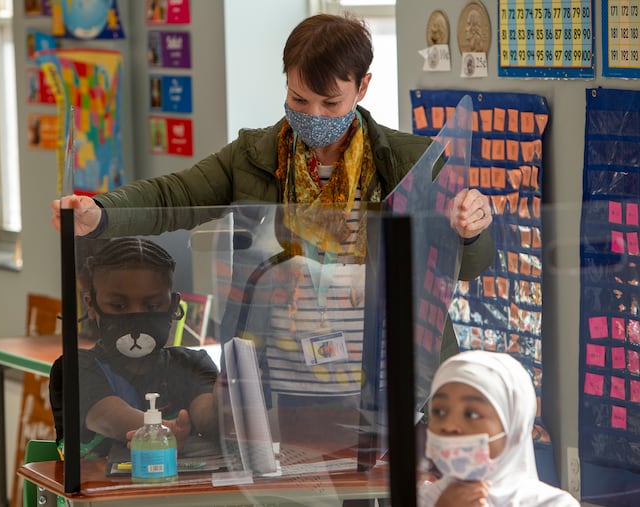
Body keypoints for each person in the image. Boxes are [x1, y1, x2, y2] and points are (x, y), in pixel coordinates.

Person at [51, 12, 493, 445]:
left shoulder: (409, 159)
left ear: (363, 87)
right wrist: (102, 213)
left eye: (330, 102)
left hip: (385, 385)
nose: (314, 115)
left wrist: (469, 230)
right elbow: (176, 196)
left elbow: (459, 267)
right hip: (282, 387)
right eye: (299, 99)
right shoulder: (254, 156)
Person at [48, 237, 219, 458]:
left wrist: (224, 402)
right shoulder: (74, 369)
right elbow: (110, 419)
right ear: (91, 306)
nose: (136, 317)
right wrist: (162, 434)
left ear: (174, 305)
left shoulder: (193, 364)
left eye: (152, 305)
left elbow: (208, 418)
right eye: (119, 306)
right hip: (98, 492)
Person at [420, 350, 578, 506]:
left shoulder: (555, 504)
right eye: (439, 411)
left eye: (472, 414)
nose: (449, 426)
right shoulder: (420, 499)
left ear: (515, 428)